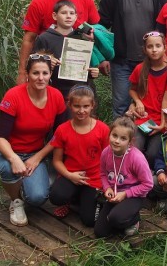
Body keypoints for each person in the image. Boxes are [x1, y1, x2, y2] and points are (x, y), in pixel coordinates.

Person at [0, 53, 69, 226]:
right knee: (9, 169)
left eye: (45, 73)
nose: (40, 78)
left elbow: (60, 134)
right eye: (35, 73)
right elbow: (0, 137)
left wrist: (38, 157)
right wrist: (14, 158)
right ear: (27, 74)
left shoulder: (56, 97)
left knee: (37, 198)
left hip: (35, 153)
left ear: (50, 75)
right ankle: (15, 201)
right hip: (5, 153)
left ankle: (26, 184)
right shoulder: (14, 96)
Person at [98, 0, 167, 119]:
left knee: (151, 105)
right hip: (122, 61)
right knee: (121, 106)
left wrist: (164, 55)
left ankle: (144, 144)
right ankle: (120, 144)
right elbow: (101, 26)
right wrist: (103, 57)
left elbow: (165, 26)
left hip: (150, 62)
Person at [17, 0, 99, 85]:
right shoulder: (39, 2)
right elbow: (29, 39)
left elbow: (96, 31)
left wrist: (102, 60)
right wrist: (22, 73)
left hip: (79, 74)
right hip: (48, 75)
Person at [48, 86, 110, 227]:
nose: (81, 111)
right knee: (56, 196)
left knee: (89, 221)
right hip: (71, 174)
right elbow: (57, 160)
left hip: (93, 179)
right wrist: (70, 176)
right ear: (69, 105)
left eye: (86, 106)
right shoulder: (62, 129)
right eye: (76, 106)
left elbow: (108, 159)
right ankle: (69, 201)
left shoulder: (102, 129)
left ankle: (82, 199)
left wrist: (107, 183)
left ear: (92, 106)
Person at [95, 117, 154, 238]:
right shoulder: (106, 153)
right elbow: (103, 174)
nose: (117, 141)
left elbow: (148, 184)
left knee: (116, 219)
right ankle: (119, 215)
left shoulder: (136, 158)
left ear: (130, 141)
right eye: (114, 135)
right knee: (100, 233)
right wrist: (107, 188)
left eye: (123, 138)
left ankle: (134, 219)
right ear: (109, 134)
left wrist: (126, 194)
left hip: (133, 195)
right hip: (115, 193)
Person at [32, 0, 99, 99]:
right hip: (55, 90)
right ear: (55, 16)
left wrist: (93, 72)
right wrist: (47, 61)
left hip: (81, 91)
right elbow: (32, 63)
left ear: (76, 17)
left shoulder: (83, 37)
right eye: (64, 13)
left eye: (72, 13)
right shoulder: (44, 38)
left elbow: (88, 65)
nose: (68, 16)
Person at [127, 31, 167, 167]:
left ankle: (150, 179)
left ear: (165, 47)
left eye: (158, 46)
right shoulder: (140, 69)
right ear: (145, 49)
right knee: (135, 149)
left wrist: (163, 124)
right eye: (150, 46)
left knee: (152, 154)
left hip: (160, 122)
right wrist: (137, 101)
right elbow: (132, 89)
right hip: (142, 119)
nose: (154, 50)